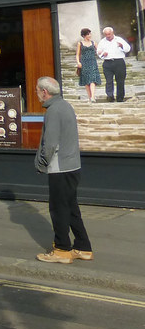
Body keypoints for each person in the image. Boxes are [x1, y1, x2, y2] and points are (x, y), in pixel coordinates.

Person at [34, 76, 92, 264]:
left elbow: (50, 144)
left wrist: (42, 163)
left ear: (45, 92)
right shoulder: (65, 106)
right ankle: (83, 247)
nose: (37, 95)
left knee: (58, 209)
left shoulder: (53, 110)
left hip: (60, 168)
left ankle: (62, 250)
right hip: (73, 166)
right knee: (71, 208)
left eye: (37, 91)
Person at [96, 26, 131, 102]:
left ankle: (120, 98)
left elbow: (128, 49)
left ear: (112, 33)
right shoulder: (102, 42)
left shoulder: (119, 39)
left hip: (119, 62)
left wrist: (122, 46)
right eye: (106, 34)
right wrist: (102, 54)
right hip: (107, 63)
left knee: (120, 80)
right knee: (108, 80)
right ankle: (110, 96)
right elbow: (98, 51)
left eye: (109, 34)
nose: (108, 36)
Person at [75, 28, 101, 102]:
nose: (90, 35)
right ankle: (90, 97)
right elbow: (77, 54)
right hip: (84, 62)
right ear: (84, 35)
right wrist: (78, 62)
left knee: (92, 79)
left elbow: (99, 51)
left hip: (92, 62)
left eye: (90, 34)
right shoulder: (80, 43)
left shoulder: (94, 43)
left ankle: (92, 96)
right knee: (86, 81)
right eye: (88, 34)